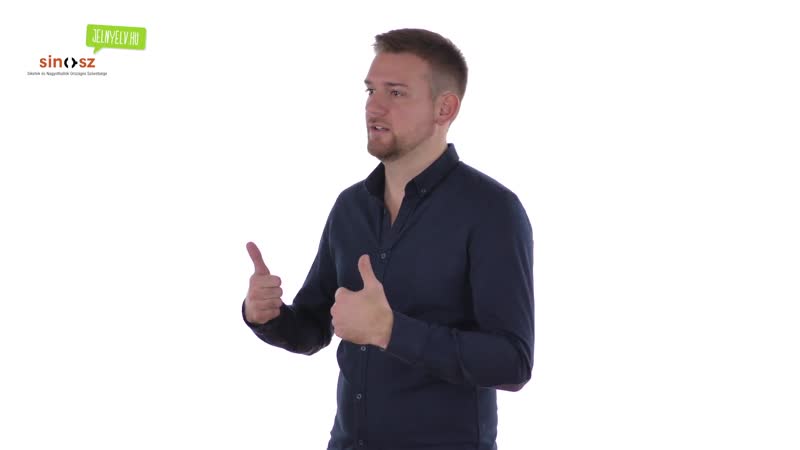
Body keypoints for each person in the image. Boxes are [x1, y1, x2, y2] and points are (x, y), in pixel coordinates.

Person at [242, 28, 534, 450]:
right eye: (370, 90)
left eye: (395, 93)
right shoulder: (350, 207)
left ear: (445, 108)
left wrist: (391, 330)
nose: (373, 107)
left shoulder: (491, 211)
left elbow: (512, 362)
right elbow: (314, 326)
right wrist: (267, 316)